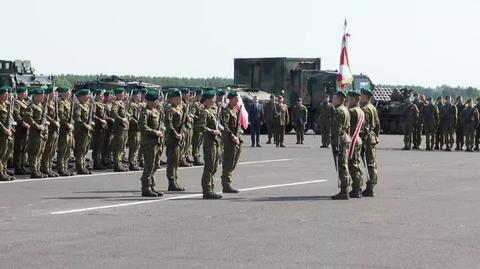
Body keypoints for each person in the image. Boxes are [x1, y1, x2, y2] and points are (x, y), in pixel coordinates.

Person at [138, 91, 165, 197]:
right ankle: (145, 188)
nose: (157, 102)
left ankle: (152, 186)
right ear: (149, 101)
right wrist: (155, 132)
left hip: (156, 142)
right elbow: (142, 127)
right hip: (149, 143)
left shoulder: (156, 111)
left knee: (155, 164)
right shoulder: (145, 112)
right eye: (155, 100)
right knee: (149, 165)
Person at [199, 90, 223, 199]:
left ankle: (211, 188)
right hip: (209, 142)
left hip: (215, 142)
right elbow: (201, 127)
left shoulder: (213, 111)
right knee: (209, 167)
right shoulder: (205, 112)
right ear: (208, 100)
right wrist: (212, 131)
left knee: (214, 167)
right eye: (213, 99)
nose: (215, 100)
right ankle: (207, 190)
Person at [24, 88, 49, 178]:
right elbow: (27, 117)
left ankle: (38, 170)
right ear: (36, 96)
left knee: (40, 151)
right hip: (35, 132)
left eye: (42, 95)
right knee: (34, 152)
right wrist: (36, 125)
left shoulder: (41, 106)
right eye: (41, 95)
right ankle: (34, 171)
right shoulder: (31, 106)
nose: (43, 97)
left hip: (42, 132)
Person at [331, 91, 352, 200]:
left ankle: (344, 191)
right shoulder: (346, 110)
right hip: (345, 138)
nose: (332, 99)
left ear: (339, 99)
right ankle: (345, 189)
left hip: (340, 140)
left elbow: (336, 129)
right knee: (344, 165)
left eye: (334, 98)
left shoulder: (338, 111)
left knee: (342, 166)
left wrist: (336, 144)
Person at [360, 88, 380, 197]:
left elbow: (365, 127)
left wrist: (362, 141)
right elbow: (377, 125)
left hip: (367, 138)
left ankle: (370, 187)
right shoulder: (372, 108)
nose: (360, 97)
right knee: (371, 162)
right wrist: (376, 136)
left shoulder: (366, 109)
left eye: (362, 95)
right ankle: (371, 185)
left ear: (366, 97)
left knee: (369, 163)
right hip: (372, 138)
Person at [221, 90, 242, 193]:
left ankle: (227, 180)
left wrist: (239, 135)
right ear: (231, 99)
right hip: (229, 140)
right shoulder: (226, 110)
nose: (238, 100)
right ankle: (226, 184)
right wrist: (232, 136)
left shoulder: (236, 110)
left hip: (236, 139)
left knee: (233, 161)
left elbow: (238, 126)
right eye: (236, 98)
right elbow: (224, 125)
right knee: (228, 161)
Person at [165, 88, 186, 191]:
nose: (181, 99)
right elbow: (168, 124)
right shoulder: (170, 109)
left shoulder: (180, 108)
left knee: (176, 160)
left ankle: (175, 181)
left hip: (179, 138)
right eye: (179, 97)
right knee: (172, 161)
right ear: (174, 98)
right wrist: (175, 134)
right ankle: (171, 182)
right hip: (172, 138)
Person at [40, 86, 60, 177]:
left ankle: (49, 167)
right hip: (50, 129)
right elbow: (46, 116)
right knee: (47, 150)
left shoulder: (54, 103)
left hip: (55, 129)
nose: (55, 94)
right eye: (53, 92)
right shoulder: (45, 104)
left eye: (55, 93)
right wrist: (53, 122)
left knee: (52, 150)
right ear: (48, 94)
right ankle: (45, 168)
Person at [73, 89, 93, 175]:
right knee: (80, 150)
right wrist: (85, 125)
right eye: (87, 95)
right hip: (81, 131)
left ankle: (83, 165)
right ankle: (79, 166)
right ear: (82, 96)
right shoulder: (78, 106)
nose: (89, 97)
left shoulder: (87, 106)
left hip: (87, 131)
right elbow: (77, 119)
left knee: (85, 150)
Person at [56, 87, 75, 176]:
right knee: (62, 150)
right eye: (67, 92)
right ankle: (61, 168)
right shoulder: (61, 103)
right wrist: (68, 125)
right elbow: (61, 116)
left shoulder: (68, 102)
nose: (69, 94)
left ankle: (65, 167)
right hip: (64, 129)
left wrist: (72, 124)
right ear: (63, 93)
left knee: (68, 150)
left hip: (69, 129)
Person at [111, 87, 129, 172]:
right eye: (123, 93)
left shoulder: (122, 103)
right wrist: (121, 119)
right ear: (118, 94)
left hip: (124, 128)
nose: (124, 95)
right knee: (118, 147)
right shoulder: (116, 103)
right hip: (119, 128)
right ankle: (117, 164)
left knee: (122, 146)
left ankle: (120, 163)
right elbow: (113, 113)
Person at [12, 86, 30, 175]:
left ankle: (22, 166)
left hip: (26, 128)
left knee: (24, 149)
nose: (26, 94)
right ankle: (18, 168)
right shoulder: (17, 102)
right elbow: (16, 115)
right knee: (18, 149)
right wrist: (23, 123)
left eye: (26, 92)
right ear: (20, 93)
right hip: (20, 128)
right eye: (25, 92)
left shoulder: (25, 102)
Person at [0, 86, 15, 181]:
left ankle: (4, 171)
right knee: (1, 154)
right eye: (5, 94)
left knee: (6, 154)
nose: (7, 96)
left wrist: (11, 129)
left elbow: (9, 119)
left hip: (7, 133)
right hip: (1, 133)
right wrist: (5, 129)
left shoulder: (6, 105)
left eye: (7, 94)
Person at [91, 89, 107, 170]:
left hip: (102, 128)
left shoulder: (102, 104)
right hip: (97, 128)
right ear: (97, 95)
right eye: (101, 94)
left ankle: (98, 161)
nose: (102, 96)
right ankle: (96, 163)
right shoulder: (95, 104)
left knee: (100, 146)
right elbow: (93, 115)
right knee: (96, 146)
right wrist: (101, 120)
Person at [127, 89, 142, 171]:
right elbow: (130, 116)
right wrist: (136, 122)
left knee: (137, 146)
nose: (139, 96)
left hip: (138, 129)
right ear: (134, 96)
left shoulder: (138, 105)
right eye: (138, 95)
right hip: (133, 129)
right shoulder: (131, 105)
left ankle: (135, 161)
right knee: (133, 146)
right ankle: (132, 163)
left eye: (140, 95)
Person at [191, 88, 205, 166]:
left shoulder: (200, 104)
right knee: (196, 143)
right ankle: (196, 158)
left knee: (199, 142)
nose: (201, 97)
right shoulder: (195, 104)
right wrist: (199, 117)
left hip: (201, 126)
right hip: (196, 126)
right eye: (200, 95)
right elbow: (192, 114)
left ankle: (197, 156)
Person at [101, 90, 114, 168]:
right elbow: (105, 116)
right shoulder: (104, 105)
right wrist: (110, 119)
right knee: (105, 145)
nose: (111, 97)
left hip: (111, 128)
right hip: (106, 128)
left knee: (110, 146)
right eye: (109, 96)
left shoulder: (111, 105)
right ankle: (104, 160)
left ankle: (108, 159)